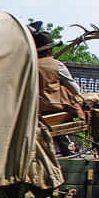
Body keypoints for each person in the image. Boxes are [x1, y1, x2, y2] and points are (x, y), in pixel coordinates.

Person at [32, 26, 85, 156]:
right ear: (49, 50)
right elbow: (76, 90)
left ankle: (64, 148)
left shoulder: (28, 65)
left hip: (32, 113)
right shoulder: (56, 65)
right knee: (98, 108)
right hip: (55, 113)